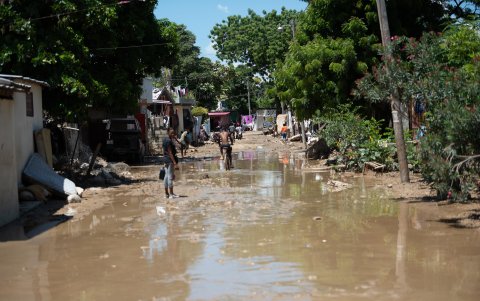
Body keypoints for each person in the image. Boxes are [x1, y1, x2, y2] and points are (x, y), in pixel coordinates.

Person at [162, 128, 179, 199]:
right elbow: (170, 152)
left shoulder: (165, 140)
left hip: (165, 159)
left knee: (166, 176)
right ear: (168, 132)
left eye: (173, 133)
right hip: (170, 160)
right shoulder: (169, 141)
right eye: (171, 133)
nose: (173, 134)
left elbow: (164, 151)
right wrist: (175, 163)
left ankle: (166, 194)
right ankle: (171, 194)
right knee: (170, 177)